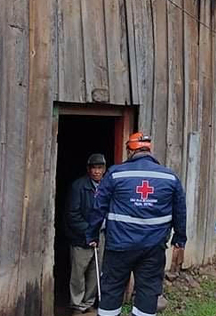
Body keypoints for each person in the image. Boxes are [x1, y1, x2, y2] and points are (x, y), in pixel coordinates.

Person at [86, 132, 187, 316]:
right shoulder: (170, 177)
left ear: (130, 151)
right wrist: (180, 238)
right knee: (148, 292)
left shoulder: (115, 174)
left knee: (112, 290)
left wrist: (92, 235)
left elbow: (98, 207)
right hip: (153, 248)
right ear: (149, 150)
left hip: (119, 247)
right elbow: (180, 211)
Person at [66, 153, 108, 315]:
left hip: (102, 235)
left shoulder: (106, 186)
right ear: (88, 169)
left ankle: (88, 302)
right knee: (78, 272)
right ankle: (77, 305)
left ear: (104, 169)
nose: (97, 171)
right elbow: (72, 214)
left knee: (95, 271)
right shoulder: (79, 186)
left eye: (100, 168)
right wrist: (89, 232)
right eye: (94, 168)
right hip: (81, 237)